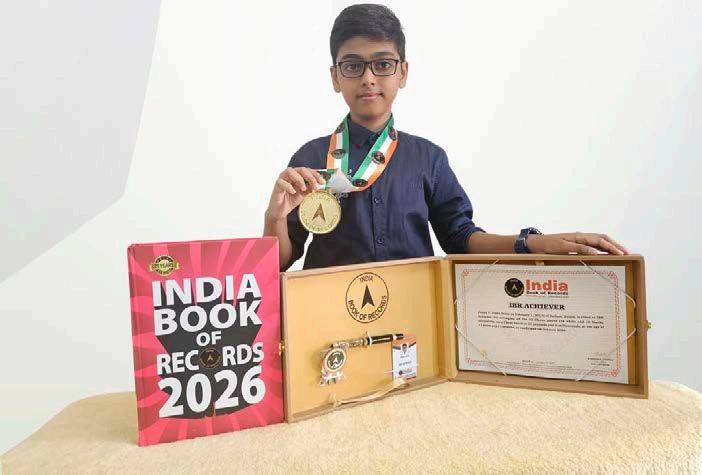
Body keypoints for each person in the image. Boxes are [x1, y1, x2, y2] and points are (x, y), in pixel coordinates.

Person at [263, 4, 627, 271]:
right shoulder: (311, 159)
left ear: (403, 73)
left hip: (414, 320)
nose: (368, 78)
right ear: (335, 77)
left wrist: (533, 243)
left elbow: (460, 238)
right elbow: (280, 262)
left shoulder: (429, 159)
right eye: (353, 65)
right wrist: (275, 218)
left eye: (383, 64)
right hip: (326, 322)